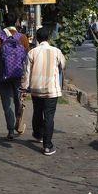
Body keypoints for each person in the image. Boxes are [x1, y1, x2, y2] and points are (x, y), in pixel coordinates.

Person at [21, 26, 66, 156]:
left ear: (37, 38)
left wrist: (24, 88)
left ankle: (38, 134)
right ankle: (47, 146)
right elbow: (63, 65)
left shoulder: (32, 53)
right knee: (49, 116)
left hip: (36, 89)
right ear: (49, 38)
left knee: (37, 112)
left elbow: (26, 73)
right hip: (52, 90)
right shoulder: (57, 51)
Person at [0, 13, 31, 139]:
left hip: (3, 75)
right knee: (18, 101)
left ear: (3, 22)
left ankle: (11, 130)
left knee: (7, 104)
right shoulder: (22, 38)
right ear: (17, 22)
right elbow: (28, 58)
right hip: (19, 75)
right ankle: (19, 123)